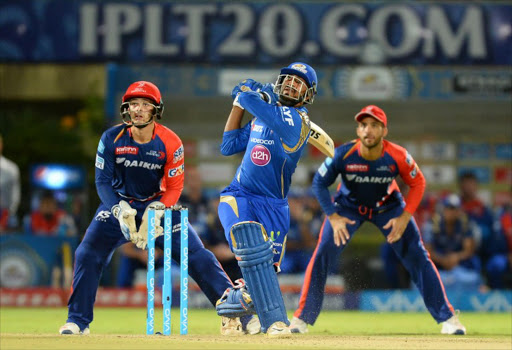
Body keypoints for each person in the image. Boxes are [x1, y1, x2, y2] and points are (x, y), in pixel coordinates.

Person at [59, 81, 239, 335]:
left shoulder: (170, 141)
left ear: (156, 110)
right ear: (127, 108)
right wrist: (118, 210)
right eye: (134, 104)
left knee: (196, 254)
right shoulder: (112, 138)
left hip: (159, 204)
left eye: (146, 105)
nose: (139, 110)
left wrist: (157, 212)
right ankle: (78, 321)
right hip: (119, 203)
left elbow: (175, 187)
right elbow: (101, 181)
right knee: (87, 253)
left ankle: (235, 312)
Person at [289, 105, 466, 335]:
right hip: (348, 209)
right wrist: (333, 216)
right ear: (358, 130)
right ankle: (301, 320)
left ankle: (449, 320)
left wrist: (404, 217)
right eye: (364, 125)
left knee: (418, 258)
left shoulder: (398, 155)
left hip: (388, 208)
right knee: (322, 255)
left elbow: (418, 183)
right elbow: (319, 183)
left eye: (375, 125)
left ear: (384, 131)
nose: (368, 130)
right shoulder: (343, 154)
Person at [214, 63, 318, 337]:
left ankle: (229, 306)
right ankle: (276, 323)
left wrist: (247, 95)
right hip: (240, 196)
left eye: (299, 84)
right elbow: (228, 146)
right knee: (251, 250)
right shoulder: (264, 115)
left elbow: (252, 100)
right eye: (288, 80)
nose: (291, 86)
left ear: (308, 95)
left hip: (274, 206)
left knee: (261, 276)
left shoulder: (298, 121)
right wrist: (238, 104)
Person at [423, 194, 484, 291]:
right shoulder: (433, 223)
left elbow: (468, 249)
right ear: (443, 209)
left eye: (454, 209)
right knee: (422, 262)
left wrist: (456, 257)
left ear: (459, 210)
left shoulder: (465, 223)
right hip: (438, 260)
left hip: (458, 261)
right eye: (449, 208)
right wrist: (443, 260)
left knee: (475, 261)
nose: (451, 212)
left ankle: (480, 289)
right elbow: (427, 250)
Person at [0, 133, 21, 232]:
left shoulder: (12, 169)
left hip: (6, 217)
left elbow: (15, 196)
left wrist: (7, 217)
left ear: (1, 145)